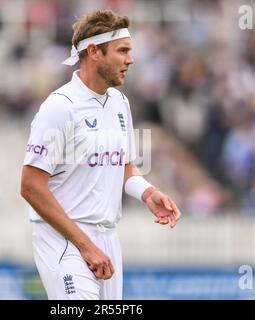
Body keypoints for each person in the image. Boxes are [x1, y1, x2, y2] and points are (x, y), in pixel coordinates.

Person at [20, 9, 181, 300]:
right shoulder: (60, 107)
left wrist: (148, 193)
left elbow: (125, 168)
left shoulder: (120, 103)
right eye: (122, 51)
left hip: (107, 237)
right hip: (65, 240)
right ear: (94, 51)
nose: (130, 60)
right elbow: (31, 186)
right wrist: (84, 245)